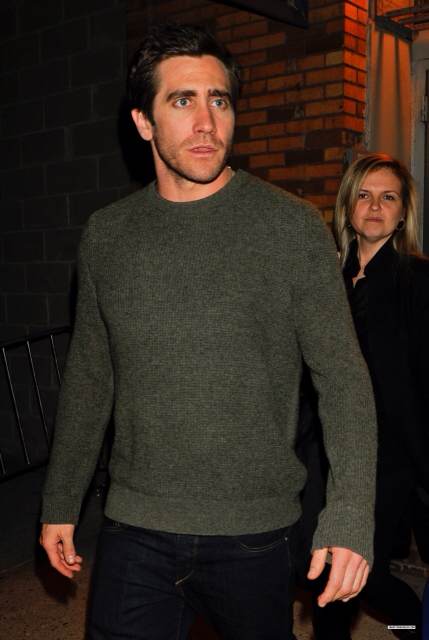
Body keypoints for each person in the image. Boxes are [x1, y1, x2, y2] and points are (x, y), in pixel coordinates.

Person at [39, 23, 377, 640]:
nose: (206, 123)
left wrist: (351, 515)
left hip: (256, 532)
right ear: (144, 122)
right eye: (181, 100)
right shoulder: (107, 236)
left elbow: (343, 379)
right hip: (134, 526)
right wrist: (61, 499)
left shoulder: (290, 228)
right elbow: (90, 377)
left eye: (219, 101)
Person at [312, 153, 429, 640]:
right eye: (364, 195)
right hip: (329, 448)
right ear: (347, 207)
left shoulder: (418, 280)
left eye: (388, 197)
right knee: (321, 564)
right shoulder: (327, 282)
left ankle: (412, 626)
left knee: (360, 570)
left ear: (402, 214)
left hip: (395, 454)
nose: (375, 206)